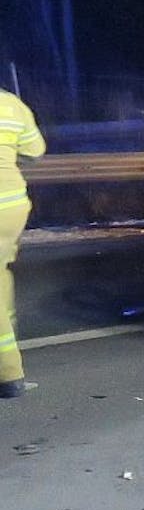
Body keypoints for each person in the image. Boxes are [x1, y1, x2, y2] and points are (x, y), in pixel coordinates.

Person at [0, 89, 45, 399]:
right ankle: (9, 334)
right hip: (11, 206)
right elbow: (35, 150)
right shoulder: (11, 104)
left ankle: (8, 375)